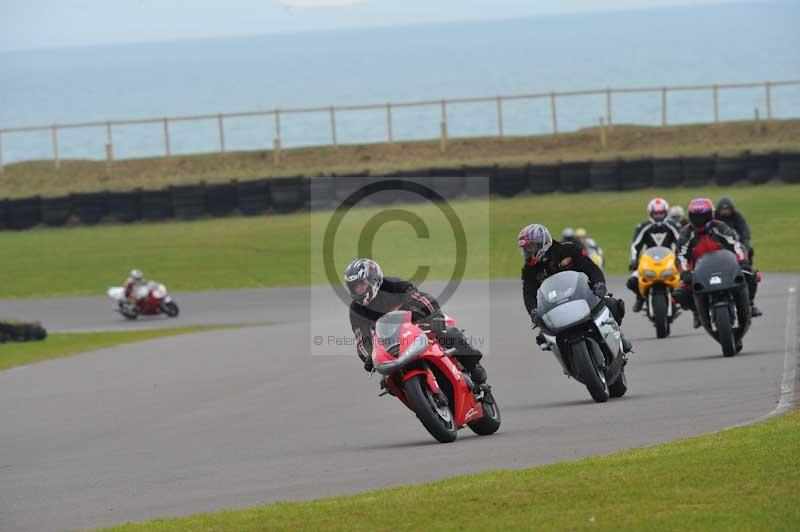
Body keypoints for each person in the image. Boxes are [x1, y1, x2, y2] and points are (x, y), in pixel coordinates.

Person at [345, 258, 488, 384]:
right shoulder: (356, 310)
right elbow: (362, 340)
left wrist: (436, 315)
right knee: (388, 382)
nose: (358, 290)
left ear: (373, 279)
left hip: (418, 324)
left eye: (361, 284)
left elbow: (421, 298)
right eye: (354, 287)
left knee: (449, 334)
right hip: (391, 342)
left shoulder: (393, 285)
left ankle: (473, 366)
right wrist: (369, 357)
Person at [519, 224, 632, 354]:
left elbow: (591, 268)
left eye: (530, 247)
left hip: (583, 295)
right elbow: (528, 292)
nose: (527, 252)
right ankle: (568, 359)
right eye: (525, 249)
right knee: (542, 337)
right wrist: (533, 311)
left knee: (612, 305)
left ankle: (619, 337)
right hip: (555, 306)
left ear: (543, 243)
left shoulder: (568, 249)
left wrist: (599, 284)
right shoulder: (529, 269)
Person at [673, 198, 761, 328]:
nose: (700, 220)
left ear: (711, 215)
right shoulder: (686, 233)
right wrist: (685, 272)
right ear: (690, 217)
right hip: (699, 272)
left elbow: (735, 244)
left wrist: (742, 261)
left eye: (703, 216)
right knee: (679, 294)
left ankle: (749, 303)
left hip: (726, 266)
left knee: (751, 274)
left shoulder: (720, 227)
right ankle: (697, 312)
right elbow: (681, 256)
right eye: (696, 217)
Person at [626, 198, 681, 312]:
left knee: (686, 280)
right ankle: (640, 297)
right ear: (650, 213)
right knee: (631, 281)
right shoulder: (642, 227)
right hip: (648, 262)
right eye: (656, 213)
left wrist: (681, 259)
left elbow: (681, 243)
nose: (659, 216)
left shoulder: (674, 225)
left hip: (669, 261)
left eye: (661, 213)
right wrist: (633, 261)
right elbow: (635, 246)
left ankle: (692, 308)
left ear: (666, 213)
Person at [715, 197, 753, 262]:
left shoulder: (737, 216)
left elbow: (744, 229)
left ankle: (747, 268)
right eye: (723, 209)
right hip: (718, 244)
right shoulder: (715, 217)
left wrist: (746, 241)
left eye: (727, 209)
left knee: (750, 250)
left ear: (731, 209)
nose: (725, 211)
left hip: (735, 244)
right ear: (719, 210)